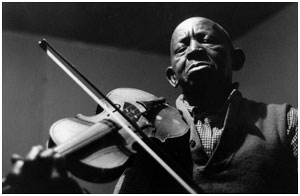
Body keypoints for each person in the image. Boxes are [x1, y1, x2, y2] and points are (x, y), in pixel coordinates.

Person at [3, 17, 297, 194]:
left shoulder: (286, 120)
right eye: (181, 48)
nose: (194, 49)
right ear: (172, 77)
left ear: (237, 59)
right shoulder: (149, 141)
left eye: (206, 40)